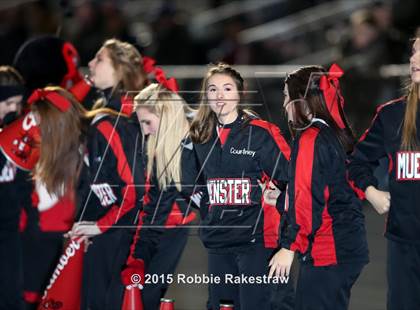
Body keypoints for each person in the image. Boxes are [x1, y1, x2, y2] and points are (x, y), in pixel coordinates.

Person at [188, 63, 292, 310]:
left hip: (257, 243)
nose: (220, 95)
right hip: (218, 243)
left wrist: (289, 242)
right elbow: (191, 184)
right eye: (213, 89)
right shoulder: (199, 136)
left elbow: (293, 180)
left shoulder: (261, 133)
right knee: (220, 306)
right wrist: (209, 211)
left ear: (239, 94)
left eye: (227, 88)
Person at [268, 65, 369, 310]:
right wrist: (283, 199)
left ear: (301, 101)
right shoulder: (334, 134)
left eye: (286, 97)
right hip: (345, 246)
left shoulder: (311, 138)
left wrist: (290, 246)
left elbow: (308, 200)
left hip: (328, 250)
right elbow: (334, 192)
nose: (284, 105)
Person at [347, 37, 420, 310]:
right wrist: (371, 191)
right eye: (413, 52)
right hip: (404, 242)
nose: (413, 59)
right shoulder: (392, 115)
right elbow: (356, 162)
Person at [123, 82, 197, 310]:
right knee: (148, 294)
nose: (145, 130)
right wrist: (139, 257)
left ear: (165, 114)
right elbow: (156, 208)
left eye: (147, 122)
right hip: (180, 231)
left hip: (241, 235)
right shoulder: (163, 151)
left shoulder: (206, 139)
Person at [0, 65, 27, 310]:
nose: (13, 109)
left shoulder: (15, 132)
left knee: (11, 296)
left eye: (17, 103)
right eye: (7, 102)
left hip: (8, 230)